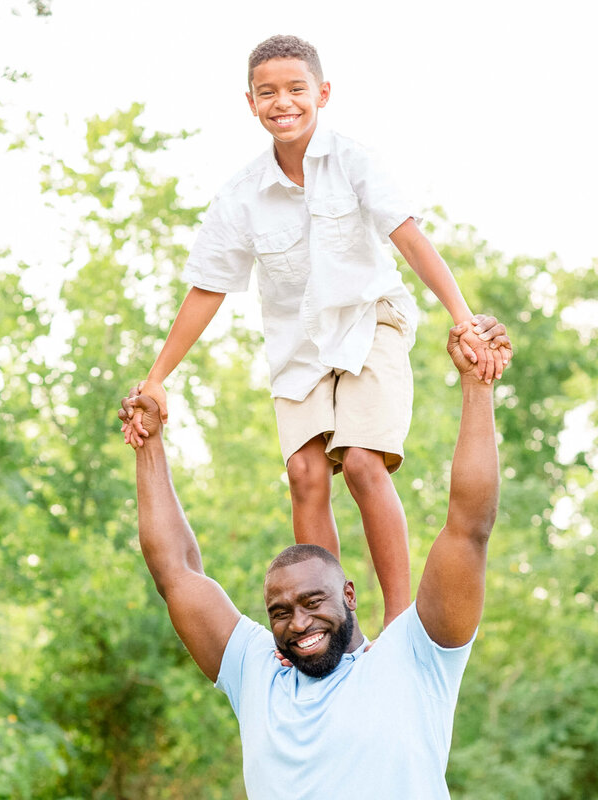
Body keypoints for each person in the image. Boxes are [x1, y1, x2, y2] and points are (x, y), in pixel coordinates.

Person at [124, 34, 511, 627]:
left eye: (296, 89)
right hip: (298, 344)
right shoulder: (241, 196)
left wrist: (462, 316)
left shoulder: (355, 162)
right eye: (267, 93)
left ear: (322, 93)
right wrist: (156, 377)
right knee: (305, 473)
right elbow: (207, 288)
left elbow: (408, 237)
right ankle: (333, 624)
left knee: (359, 461)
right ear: (249, 102)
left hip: (369, 321)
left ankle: (398, 617)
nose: (283, 102)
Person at [118, 319, 508, 799]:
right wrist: (149, 443)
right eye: (279, 612)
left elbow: (468, 527)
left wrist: (477, 386)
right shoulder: (257, 674)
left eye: (310, 601)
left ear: (348, 594)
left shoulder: (415, 657)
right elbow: (175, 572)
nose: (298, 622)